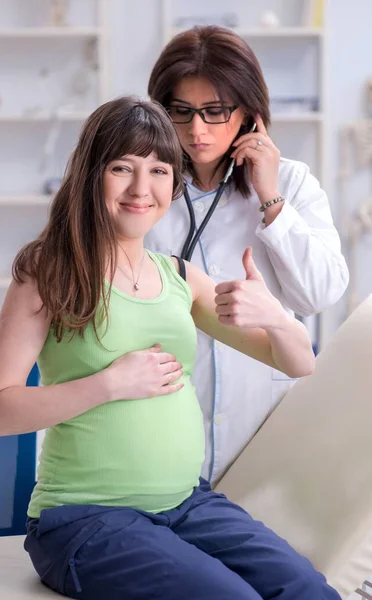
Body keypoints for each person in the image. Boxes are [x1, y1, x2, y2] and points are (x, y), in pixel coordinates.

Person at [0, 97, 339, 600]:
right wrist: (110, 383)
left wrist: (276, 317)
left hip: (185, 504)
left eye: (158, 170)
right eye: (121, 168)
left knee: (308, 591)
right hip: (83, 520)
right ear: (91, 175)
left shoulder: (178, 275)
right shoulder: (48, 271)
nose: (140, 188)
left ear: (173, 183)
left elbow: (299, 362)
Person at [146, 25, 349, 484]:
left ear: (248, 114)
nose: (196, 130)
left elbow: (320, 293)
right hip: (169, 423)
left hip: (267, 421)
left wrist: (270, 196)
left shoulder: (291, 184)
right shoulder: (146, 189)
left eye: (214, 112)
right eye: (181, 112)